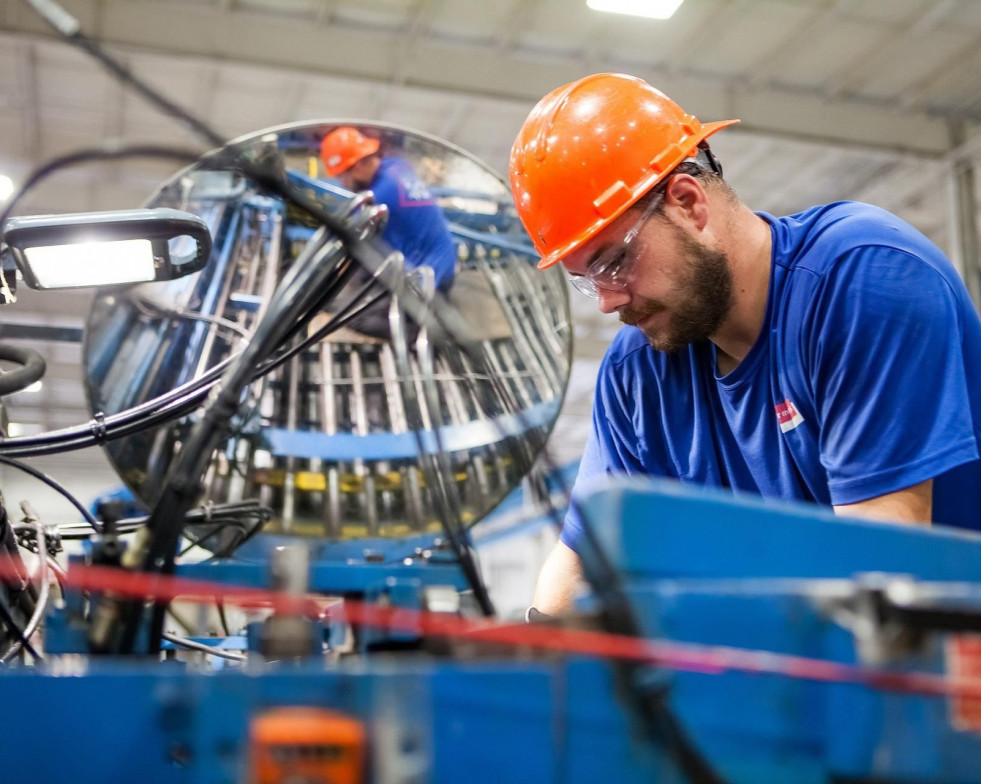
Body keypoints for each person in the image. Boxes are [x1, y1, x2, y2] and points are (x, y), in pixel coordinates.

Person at [509, 73, 981, 615]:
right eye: (587, 281)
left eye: (613, 263)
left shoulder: (861, 279)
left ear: (687, 203)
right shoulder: (639, 371)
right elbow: (581, 560)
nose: (607, 303)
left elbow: (880, 567)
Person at [320, 126, 457, 339]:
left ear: (356, 167)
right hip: (444, 261)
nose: (342, 183)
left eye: (342, 176)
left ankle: (425, 332)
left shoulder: (377, 199)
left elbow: (354, 244)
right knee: (361, 275)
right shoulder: (396, 167)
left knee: (349, 315)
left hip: (428, 281)